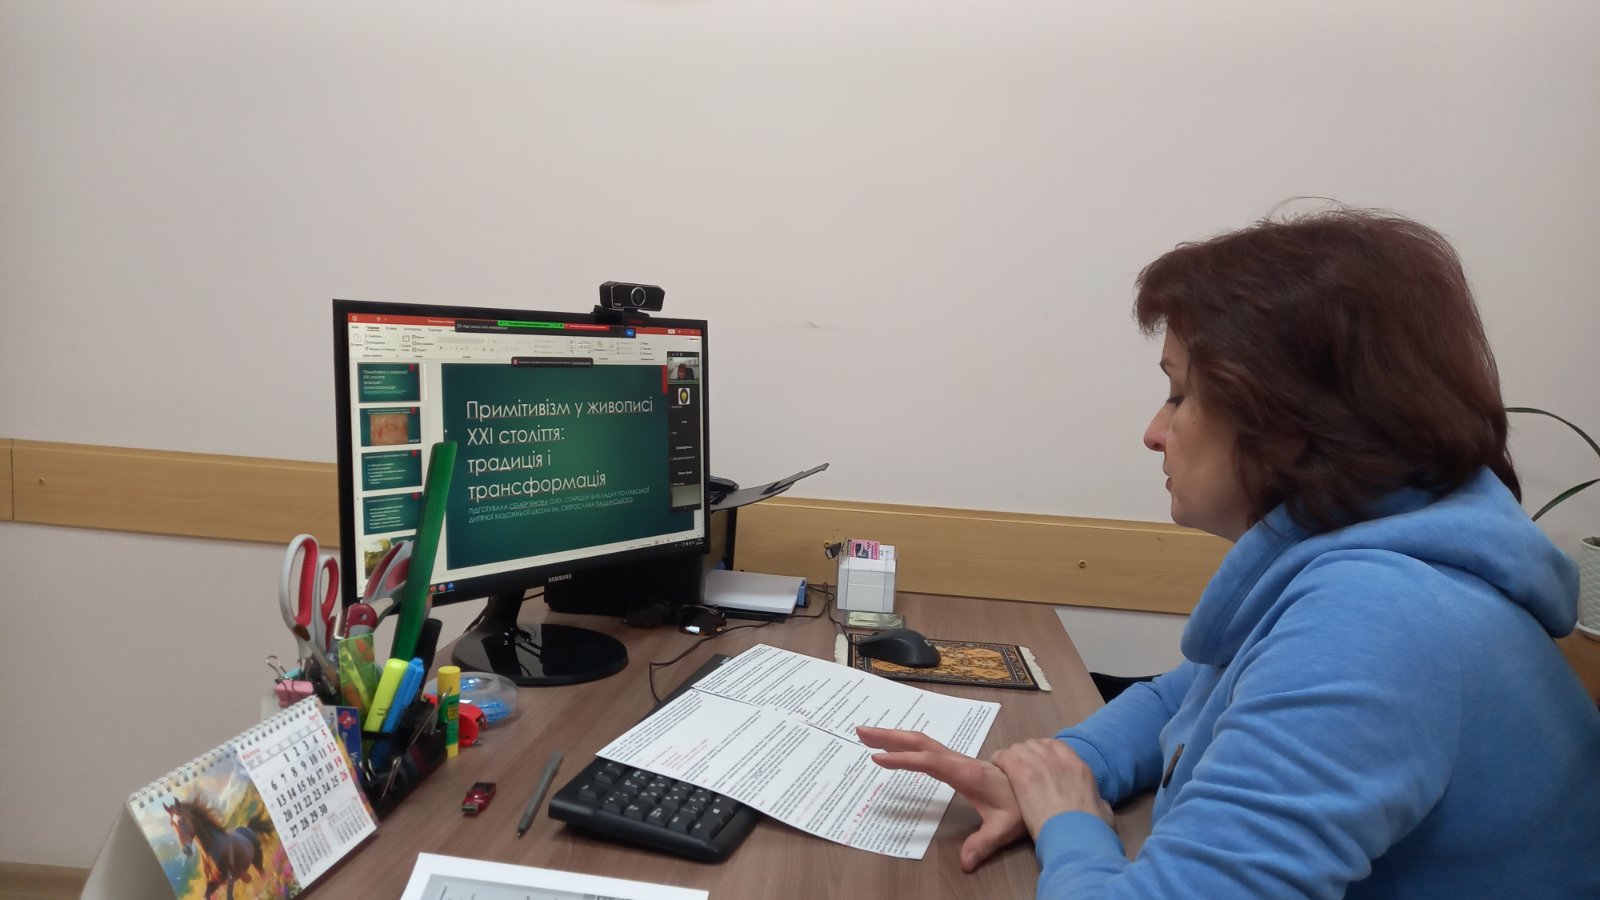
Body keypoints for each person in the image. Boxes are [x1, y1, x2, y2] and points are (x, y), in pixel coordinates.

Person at [858, 208, 1600, 897]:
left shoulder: (1377, 619)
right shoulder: (1374, 558)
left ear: (1285, 424)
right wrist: (1061, 767)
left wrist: (1069, 821)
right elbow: (1189, 693)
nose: (1155, 432)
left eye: (1180, 395)